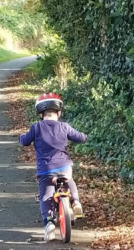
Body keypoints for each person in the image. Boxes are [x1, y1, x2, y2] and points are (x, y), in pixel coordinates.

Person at [19, 92, 87, 241]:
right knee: (69, 180)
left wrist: (21, 137)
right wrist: (84, 136)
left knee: (46, 196)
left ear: (41, 114)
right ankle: (75, 201)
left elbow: (24, 141)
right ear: (59, 112)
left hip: (46, 169)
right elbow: (79, 137)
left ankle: (49, 224)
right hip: (64, 166)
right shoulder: (64, 126)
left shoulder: (36, 127)